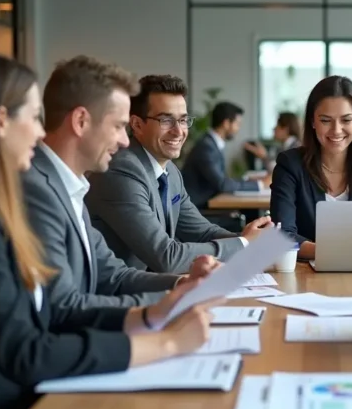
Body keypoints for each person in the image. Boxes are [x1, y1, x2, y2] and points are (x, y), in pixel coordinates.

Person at [0, 51, 219, 409]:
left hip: (25, 400)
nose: (42, 133)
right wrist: (162, 342)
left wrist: (154, 313)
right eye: (36, 118)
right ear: (1, 121)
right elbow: (27, 349)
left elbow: (53, 313)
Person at [22, 56, 198, 312]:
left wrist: (184, 284)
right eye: (118, 126)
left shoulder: (71, 185)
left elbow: (113, 276)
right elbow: (63, 308)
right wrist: (159, 311)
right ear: (81, 121)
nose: (125, 141)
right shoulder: (36, 191)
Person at [85, 75, 271, 273]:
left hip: (154, 285)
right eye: (166, 120)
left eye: (183, 120)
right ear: (137, 125)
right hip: (119, 294)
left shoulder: (170, 171)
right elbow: (166, 257)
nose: (178, 131)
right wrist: (244, 244)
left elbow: (201, 232)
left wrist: (250, 238)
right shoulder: (121, 171)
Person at [270, 75, 352, 261]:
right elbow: (281, 235)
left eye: (346, 120)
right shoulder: (290, 164)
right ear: (312, 122)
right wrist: (335, 252)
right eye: (325, 120)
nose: (336, 130)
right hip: (308, 274)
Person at [182, 101, 269, 208]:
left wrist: (249, 181)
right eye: (237, 124)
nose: (238, 129)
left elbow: (221, 180)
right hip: (199, 208)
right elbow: (222, 184)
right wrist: (260, 185)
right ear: (226, 123)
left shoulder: (212, 143)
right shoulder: (206, 147)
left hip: (207, 203)